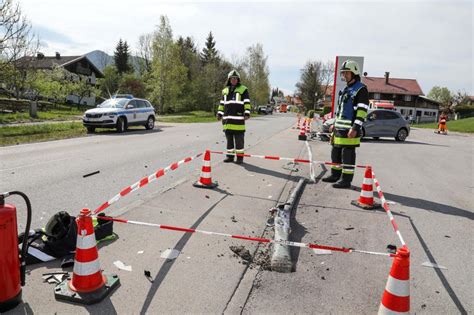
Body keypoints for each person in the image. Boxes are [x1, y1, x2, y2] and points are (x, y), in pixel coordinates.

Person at [322, 60, 369, 188]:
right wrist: (334, 124)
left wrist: (355, 128)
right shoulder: (346, 89)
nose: (344, 75)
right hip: (339, 129)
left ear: (354, 73)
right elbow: (341, 111)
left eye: (346, 73)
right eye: (343, 73)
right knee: (335, 152)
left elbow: (362, 111)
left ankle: (346, 180)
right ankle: (335, 175)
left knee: (347, 155)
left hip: (350, 130)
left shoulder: (361, 89)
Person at [217, 70, 251, 164]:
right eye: (232, 78)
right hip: (227, 120)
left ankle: (240, 158)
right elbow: (222, 104)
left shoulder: (243, 89)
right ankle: (230, 157)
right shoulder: (224, 91)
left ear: (238, 79)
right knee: (229, 141)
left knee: (239, 141)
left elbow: (247, 102)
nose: (234, 80)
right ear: (229, 79)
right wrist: (219, 113)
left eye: (235, 78)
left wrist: (247, 113)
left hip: (238, 120)